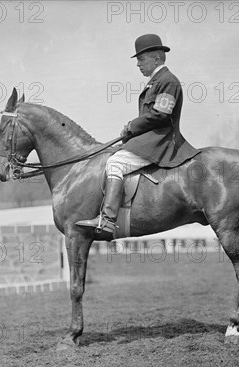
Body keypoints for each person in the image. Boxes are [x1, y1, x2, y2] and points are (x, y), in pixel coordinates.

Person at [76, 34, 200, 234]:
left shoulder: (168, 80)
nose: (138, 65)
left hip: (161, 141)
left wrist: (132, 126)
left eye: (141, 59)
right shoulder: (156, 81)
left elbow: (160, 114)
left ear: (157, 59)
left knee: (115, 163)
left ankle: (107, 219)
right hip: (150, 139)